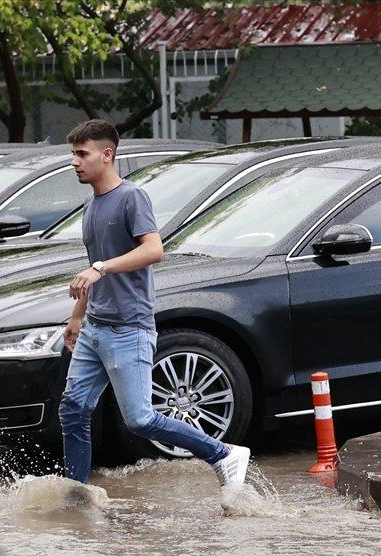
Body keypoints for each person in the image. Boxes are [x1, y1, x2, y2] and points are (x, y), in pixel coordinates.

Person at [59, 119, 251, 507]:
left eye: (82, 154)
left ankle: (223, 454)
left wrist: (101, 268)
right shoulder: (91, 204)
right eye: (73, 154)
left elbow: (153, 250)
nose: (74, 162)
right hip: (95, 327)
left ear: (107, 154)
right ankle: (74, 495)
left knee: (140, 419)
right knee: (73, 409)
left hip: (129, 329)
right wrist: (78, 315)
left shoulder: (132, 197)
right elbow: (93, 262)